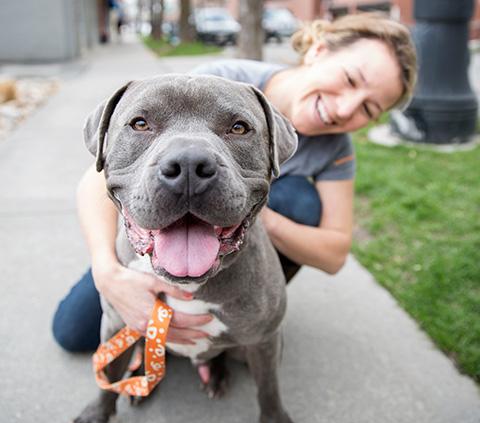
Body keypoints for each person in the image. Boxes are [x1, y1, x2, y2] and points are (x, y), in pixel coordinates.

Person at [52, 13, 416, 380]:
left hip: (241, 248)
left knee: (300, 200)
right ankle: (176, 326)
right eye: (351, 79)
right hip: (158, 210)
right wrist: (107, 271)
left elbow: (335, 252)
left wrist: (247, 215)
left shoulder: (335, 149)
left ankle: (237, 316)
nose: (345, 108)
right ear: (319, 51)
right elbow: (95, 180)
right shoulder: (218, 86)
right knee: (71, 330)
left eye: (369, 109)